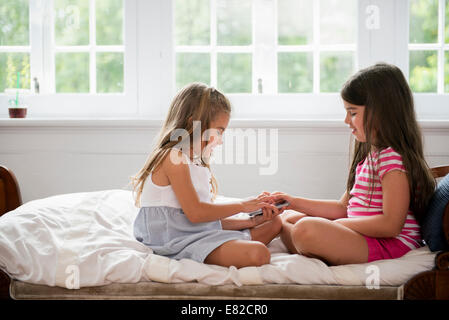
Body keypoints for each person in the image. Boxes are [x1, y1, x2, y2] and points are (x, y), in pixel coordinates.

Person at [270, 63, 436, 265]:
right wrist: (292, 201)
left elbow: (391, 225)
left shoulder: (393, 160)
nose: (346, 120)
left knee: (306, 229)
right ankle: (312, 245)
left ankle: (312, 245)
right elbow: (342, 207)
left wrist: (340, 225)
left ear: (381, 112)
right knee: (287, 217)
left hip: (389, 244)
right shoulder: (371, 157)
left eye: (353, 112)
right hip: (363, 236)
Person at [131, 83, 283, 268]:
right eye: (218, 131)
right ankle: (228, 249)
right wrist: (243, 206)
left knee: (275, 224)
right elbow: (196, 214)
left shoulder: (194, 162)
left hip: (194, 233)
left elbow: (202, 221)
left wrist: (251, 220)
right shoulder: (173, 158)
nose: (219, 141)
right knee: (258, 253)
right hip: (173, 240)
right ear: (192, 124)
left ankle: (233, 244)